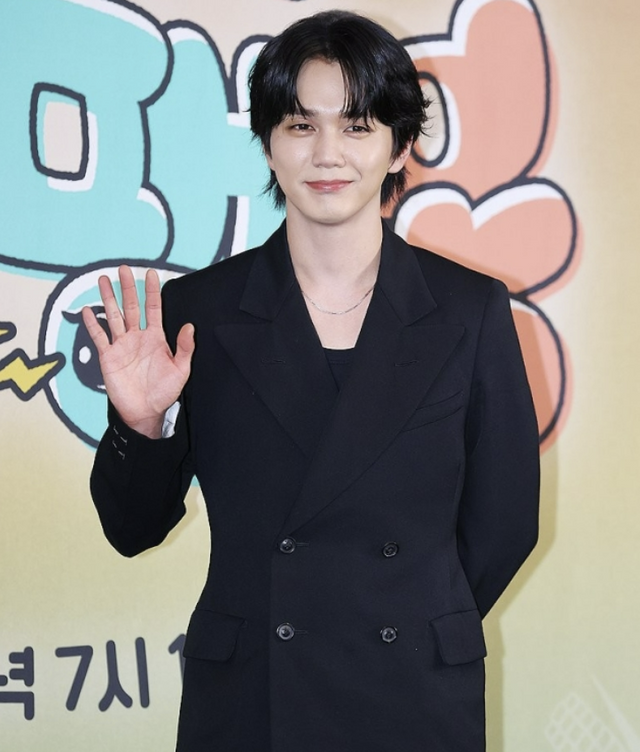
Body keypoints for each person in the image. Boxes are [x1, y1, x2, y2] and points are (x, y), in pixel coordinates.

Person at [83, 10, 539, 752]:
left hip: (413, 695)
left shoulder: (468, 309)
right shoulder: (199, 312)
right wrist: (142, 426)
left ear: (400, 146)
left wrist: (417, 619)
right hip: (254, 699)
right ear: (268, 143)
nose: (328, 154)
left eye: (357, 127)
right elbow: (132, 530)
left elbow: (507, 518)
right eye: (301, 125)